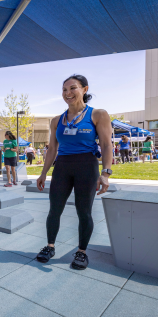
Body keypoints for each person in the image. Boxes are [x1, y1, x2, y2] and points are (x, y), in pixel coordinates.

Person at [35, 74, 112, 270]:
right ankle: (50, 246)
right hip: (62, 166)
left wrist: (106, 172)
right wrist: (43, 173)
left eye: (72, 88)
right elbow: (52, 149)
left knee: (84, 211)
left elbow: (106, 144)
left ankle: (82, 251)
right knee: (54, 209)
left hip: (87, 165)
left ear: (84, 89)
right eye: (64, 90)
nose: (67, 93)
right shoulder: (56, 120)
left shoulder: (98, 115)